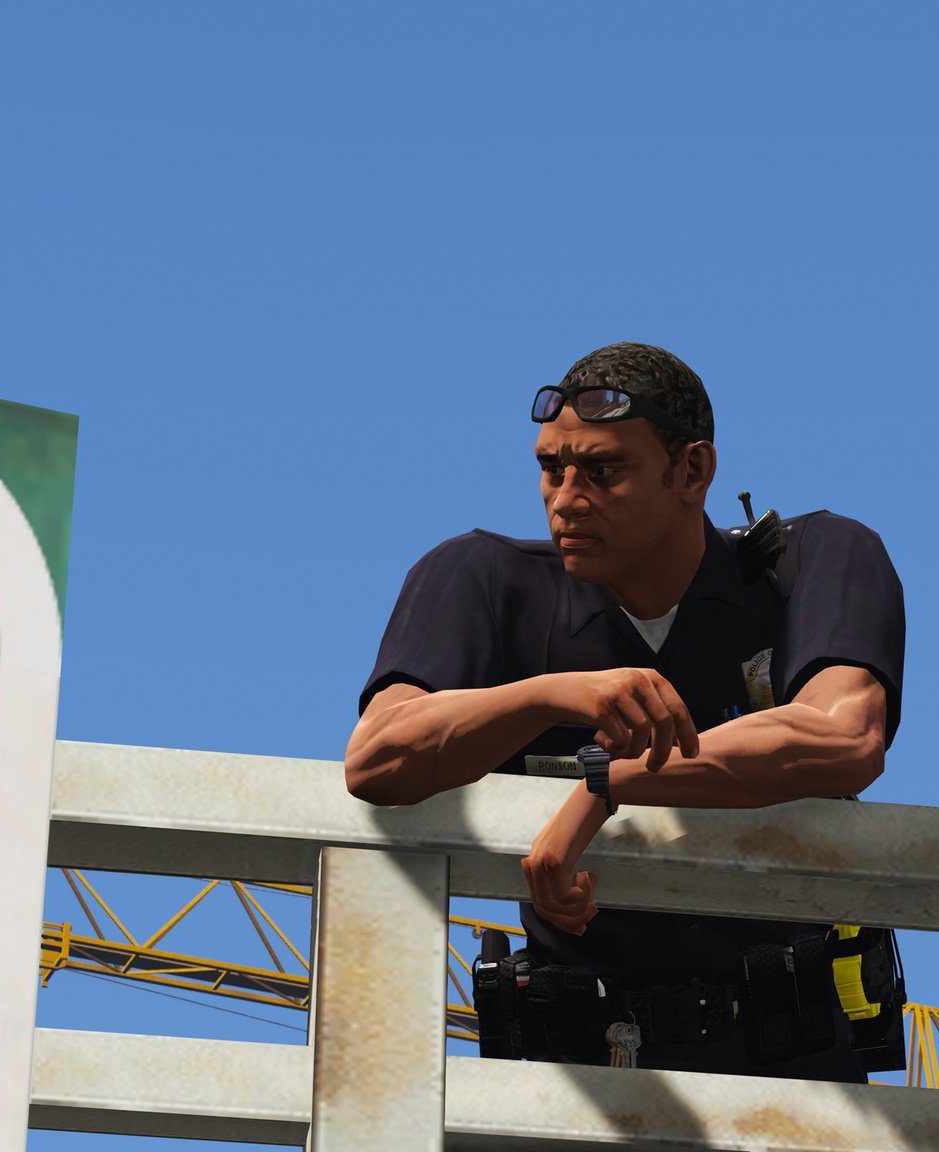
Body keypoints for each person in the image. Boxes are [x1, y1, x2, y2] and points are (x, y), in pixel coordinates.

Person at [345, 342, 904, 1081]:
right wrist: (551, 694)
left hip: (787, 1053)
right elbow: (377, 756)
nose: (566, 499)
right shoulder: (483, 578)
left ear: (693, 471)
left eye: (604, 472)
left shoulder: (814, 560)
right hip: (568, 1061)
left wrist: (605, 785)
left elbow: (844, 737)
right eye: (552, 469)